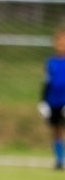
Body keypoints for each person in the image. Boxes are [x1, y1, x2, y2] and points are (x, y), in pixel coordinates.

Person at [39, 27, 65, 170]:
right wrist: (42, 102)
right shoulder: (50, 62)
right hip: (53, 101)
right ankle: (60, 159)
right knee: (56, 131)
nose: (61, 44)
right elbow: (46, 82)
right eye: (58, 41)